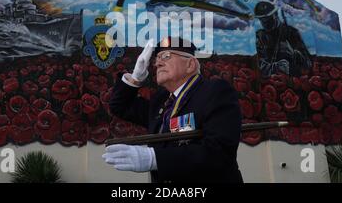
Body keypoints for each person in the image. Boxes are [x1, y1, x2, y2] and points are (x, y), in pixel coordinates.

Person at [102, 36, 243, 183]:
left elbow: (219, 152)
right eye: (157, 59)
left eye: (166, 56)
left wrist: (155, 158)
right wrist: (135, 77)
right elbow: (120, 107)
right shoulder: (161, 100)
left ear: (190, 64)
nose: (158, 63)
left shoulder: (213, 92)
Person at [254, 1, 312, 78]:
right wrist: (277, 67)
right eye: (262, 20)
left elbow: (307, 64)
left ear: (276, 15)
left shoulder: (291, 33)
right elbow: (259, 66)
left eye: (268, 19)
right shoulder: (260, 36)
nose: (266, 24)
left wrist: (293, 53)